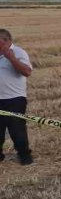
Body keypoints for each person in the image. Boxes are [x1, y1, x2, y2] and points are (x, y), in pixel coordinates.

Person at [0, 29, 33, 165]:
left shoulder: (19, 52)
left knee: (17, 129)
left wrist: (11, 58)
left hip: (15, 98)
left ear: (7, 40)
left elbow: (26, 72)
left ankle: (24, 155)